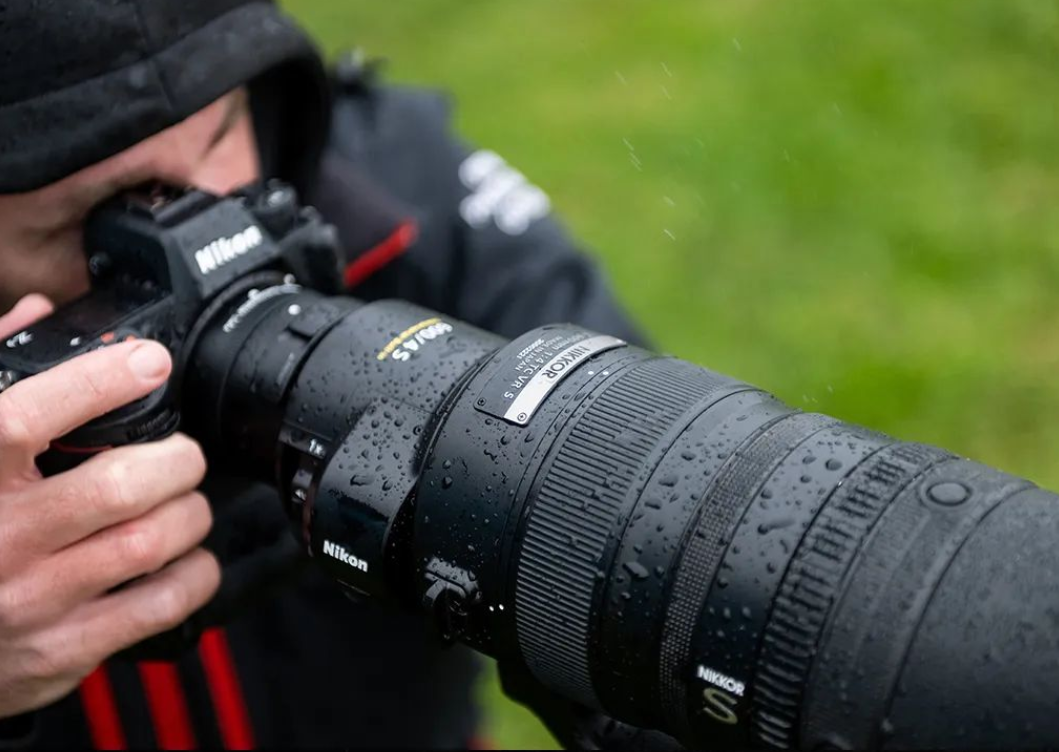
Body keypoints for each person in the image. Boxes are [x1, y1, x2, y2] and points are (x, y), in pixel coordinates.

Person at [0, 0, 644, 748]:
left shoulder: (400, 191)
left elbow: (638, 476)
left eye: (221, 134)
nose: (205, 234)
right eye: (87, 220)